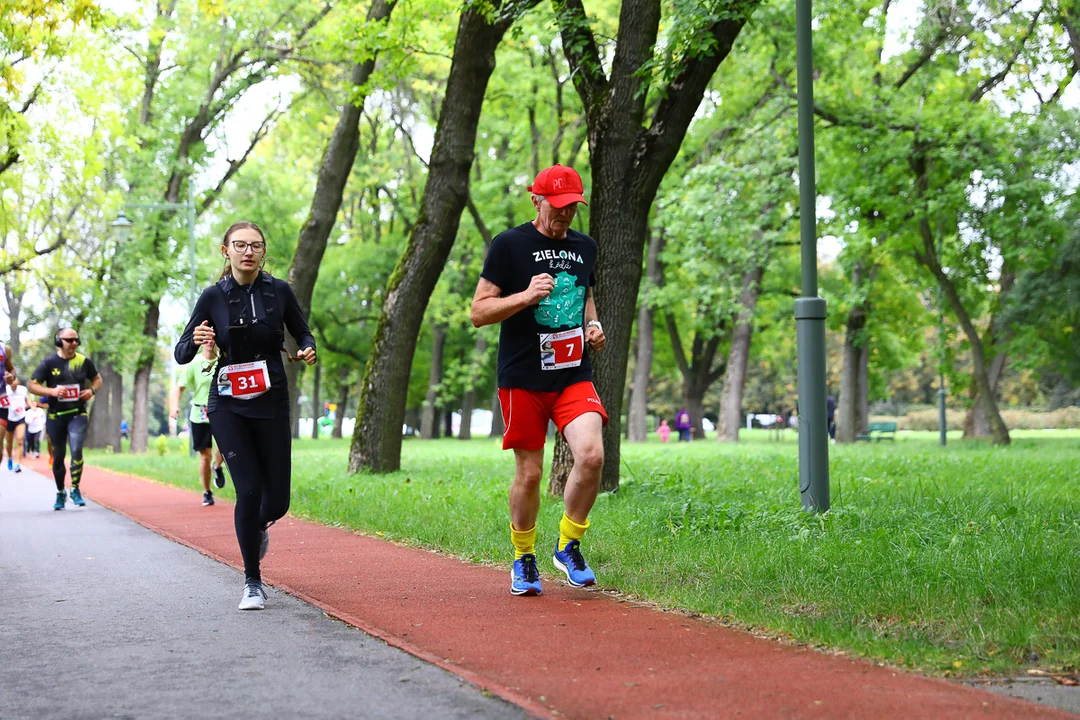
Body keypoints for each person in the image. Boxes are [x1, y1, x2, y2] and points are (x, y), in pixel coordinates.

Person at [470, 164, 607, 597]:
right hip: (523, 377)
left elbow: (585, 294)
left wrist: (593, 326)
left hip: (571, 374)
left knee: (591, 455)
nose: (566, 215)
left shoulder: (585, 247)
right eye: (558, 206)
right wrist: (526, 297)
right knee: (529, 475)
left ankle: (568, 546)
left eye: (573, 207)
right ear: (537, 200)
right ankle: (523, 557)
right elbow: (478, 312)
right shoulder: (509, 245)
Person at [174, 221, 316, 611]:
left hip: (271, 400)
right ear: (226, 251)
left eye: (255, 245)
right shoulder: (212, 297)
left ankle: (255, 529)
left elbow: (303, 333)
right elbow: (181, 351)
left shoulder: (280, 292)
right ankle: (252, 581)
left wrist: (307, 348)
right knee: (249, 490)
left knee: (278, 503)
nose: (247, 251)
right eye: (240, 245)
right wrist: (198, 340)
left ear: (263, 252)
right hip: (228, 403)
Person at [28, 328, 102, 510]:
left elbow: (97, 379)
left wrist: (91, 391)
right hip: (55, 415)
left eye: (76, 340)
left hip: (77, 413)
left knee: (76, 449)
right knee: (58, 456)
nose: (74, 343)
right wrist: (51, 391)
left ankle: (75, 489)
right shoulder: (48, 362)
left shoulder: (84, 361)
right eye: (69, 340)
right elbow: (32, 385)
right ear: (59, 341)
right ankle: (61, 491)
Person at [171, 341, 228, 506]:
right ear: (202, 342)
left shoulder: (223, 359)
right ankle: (207, 492)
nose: (210, 342)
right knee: (205, 456)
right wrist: (174, 406)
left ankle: (217, 467)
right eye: (207, 338)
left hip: (220, 410)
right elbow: (179, 388)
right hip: (200, 414)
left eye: (214, 338)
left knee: (225, 447)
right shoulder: (194, 364)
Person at [3, 377, 29, 472]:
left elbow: (27, 399)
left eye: (15, 380)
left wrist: (32, 405)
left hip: (20, 417)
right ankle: (10, 458)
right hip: (8, 418)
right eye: (12, 380)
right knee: (9, 441)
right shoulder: (4, 389)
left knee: (19, 441)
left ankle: (17, 464)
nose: (14, 382)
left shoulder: (23, 389)